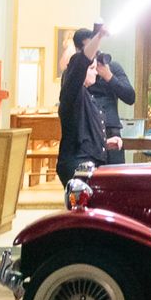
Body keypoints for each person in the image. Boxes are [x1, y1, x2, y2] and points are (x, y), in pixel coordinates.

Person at [56, 27, 110, 183]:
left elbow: (86, 130)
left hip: (90, 161)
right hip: (77, 162)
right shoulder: (73, 92)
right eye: (92, 69)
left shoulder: (87, 96)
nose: (96, 72)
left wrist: (104, 143)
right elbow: (79, 63)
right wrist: (99, 36)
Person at [86, 46, 136, 165]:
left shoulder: (113, 67)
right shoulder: (79, 72)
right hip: (87, 130)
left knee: (115, 175)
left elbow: (130, 97)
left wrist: (109, 76)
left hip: (111, 129)